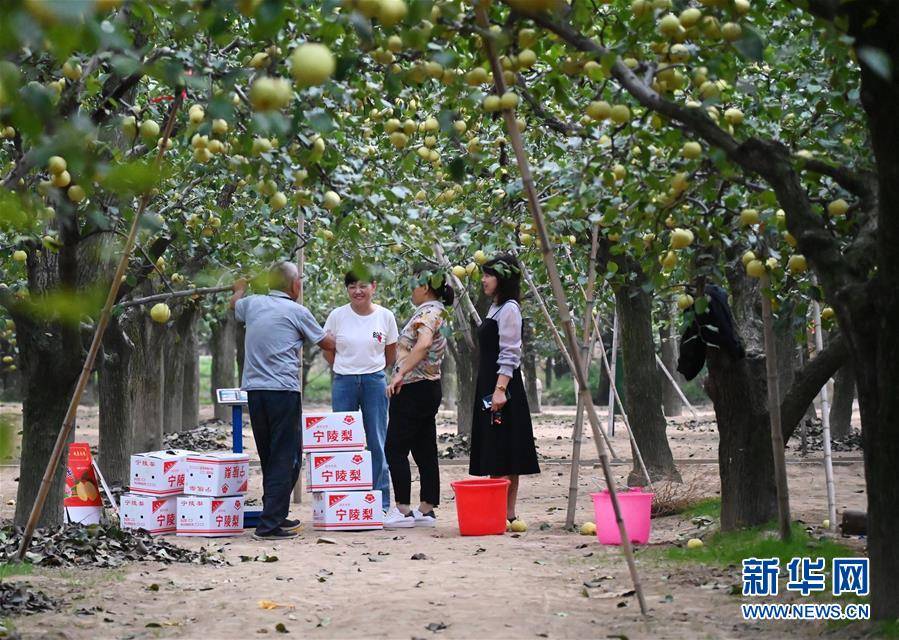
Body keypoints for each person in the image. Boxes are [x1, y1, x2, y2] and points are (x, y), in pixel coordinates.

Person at [231, 262, 335, 540]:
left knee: (269, 455)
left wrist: (239, 287)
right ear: (295, 286)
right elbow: (327, 343)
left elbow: (234, 304)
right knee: (286, 458)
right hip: (283, 392)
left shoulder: (251, 304)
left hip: (255, 393)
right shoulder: (297, 311)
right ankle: (269, 526)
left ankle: (275, 514)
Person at [469, 254, 540, 525]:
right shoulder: (495, 307)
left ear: (503, 278)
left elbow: (510, 352)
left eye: (489, 275)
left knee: (503, 446)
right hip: (490, 383)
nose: (484, 280)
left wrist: (500, 390)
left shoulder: (510, 308)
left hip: (501, 387)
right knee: (499, 445)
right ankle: (503, 512)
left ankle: (503, 512)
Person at [383, 266, 453, 529]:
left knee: (395, 448)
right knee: (424, 448)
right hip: (428, 388)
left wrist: (400, 372)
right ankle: (426, 508)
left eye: (414, 284)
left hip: (414, 388)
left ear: (425, 287)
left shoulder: (428, 312)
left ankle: (402, 509)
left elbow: (422, 345)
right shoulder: (437, 311)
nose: (411, 290)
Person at [322, 271, 398, 512]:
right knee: (343, 442)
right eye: (352, 286)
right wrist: (343, 369)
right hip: (344, 381)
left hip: (374, 381)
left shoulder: (385, 317)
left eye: (363, 285)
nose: (357, 291)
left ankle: (381, 501)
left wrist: (371, 370)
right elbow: (328, 349)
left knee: (376, 440)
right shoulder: (337, 316)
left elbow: (390, 353)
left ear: (373, 287)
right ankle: (346, 499)